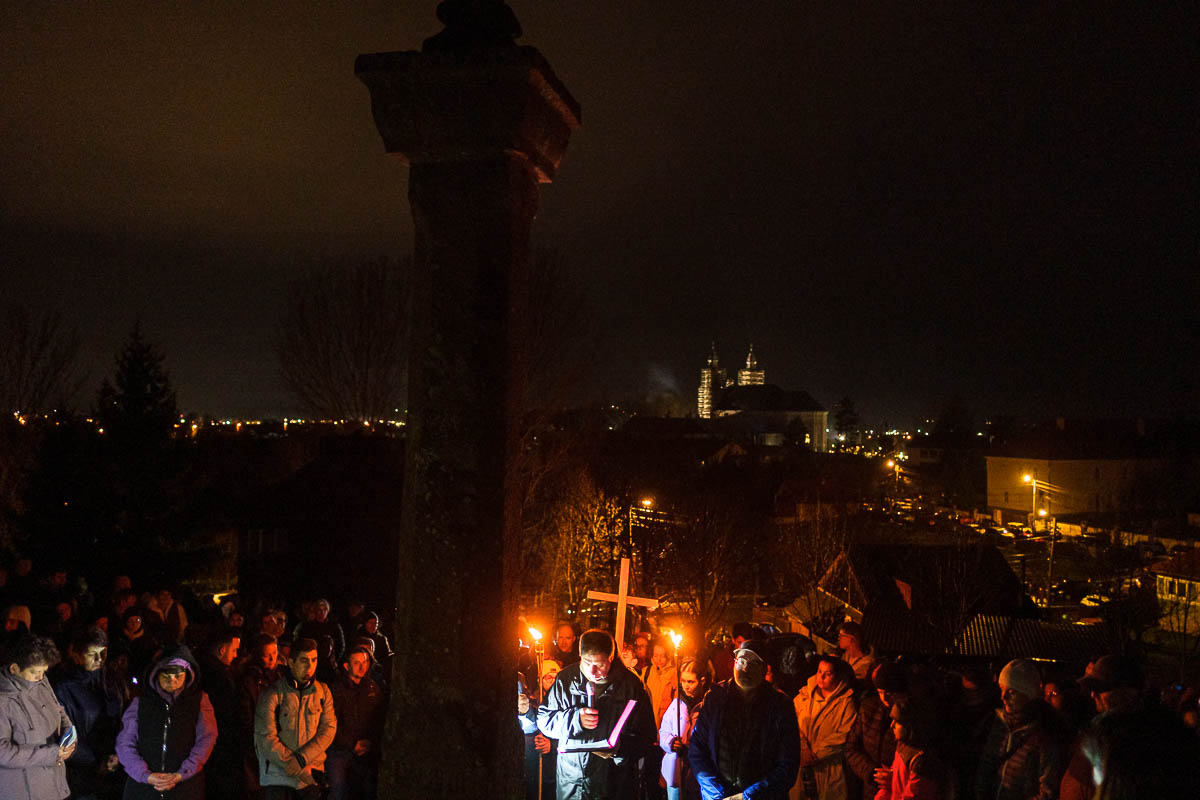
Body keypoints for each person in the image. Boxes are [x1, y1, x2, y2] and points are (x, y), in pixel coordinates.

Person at [538, 629, 656, 800]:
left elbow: (647, 736)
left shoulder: (631, 686)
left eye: (600, 665)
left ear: (611, 657)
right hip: (572, 780)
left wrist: (620, 749)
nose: (593, 671)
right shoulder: (566, 679)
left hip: (614, 782)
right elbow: (544, 720)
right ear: (579, 654)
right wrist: (575, 719)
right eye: (586, 662)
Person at [689, 639, 801, 800]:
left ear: (764, 670)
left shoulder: (779, 706)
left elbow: (788, 764)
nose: (746, 669)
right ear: (734, 663)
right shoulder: (716, 697)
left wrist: (747, 797)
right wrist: (717, 793)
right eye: (742, 661)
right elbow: (697, 749)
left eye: (754, 663)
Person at [116, 645, 217, 800]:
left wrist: (182, 773)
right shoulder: (140, 703)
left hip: (185, 788)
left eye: (178, 674)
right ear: (156, 673)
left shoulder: (200, 702)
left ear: (188, 673)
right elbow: (125, 742)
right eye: (166, 673)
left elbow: (206, 739)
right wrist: (145, 775)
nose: (172, 679)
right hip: (143, 789)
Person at [254, 637, 337, 800]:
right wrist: (297, 766)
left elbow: (328, 729)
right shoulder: (272, 694)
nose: (310, 666)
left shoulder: (323, 692)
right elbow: (265, 738)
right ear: (291, 663)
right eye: (304, 661)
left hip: (310, 775)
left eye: (314, 660)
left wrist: (303, 758)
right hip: (278, 777)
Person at [975, 658, 1064, 800]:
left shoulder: (1043, 733)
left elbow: (1047, 790)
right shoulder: (996, 724)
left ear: (1028, 694)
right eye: (1002, 689)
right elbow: (984, 768)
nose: (1003, 696)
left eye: (1012, 691)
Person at [51, 626, 124, 800]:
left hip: (115, 768)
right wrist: (98, 762)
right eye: (92, 654)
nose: (100, 660)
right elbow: (64, 735)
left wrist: (120, 753)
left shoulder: (111, 679)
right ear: (76, 655)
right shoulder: (63, 688)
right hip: (82, 776)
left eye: (103, 653)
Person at [0, 634, 75, 800]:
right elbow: (3, 752)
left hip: (54, 784)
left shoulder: (41, 681)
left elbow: (58, 709)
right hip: (24, 791)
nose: (40, 677)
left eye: (44, 671)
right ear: (14, 669)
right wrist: (51, 754)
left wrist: (69, 732)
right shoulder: (3, 700)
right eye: (35, 672)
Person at [793, 655, 857, 800]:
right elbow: (791, 723)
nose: (821, 677)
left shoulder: (845, 703)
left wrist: (816, 754)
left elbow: (843, 735)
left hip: (829, 767)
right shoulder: (804, 695)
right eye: (819, 671)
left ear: (837, 676)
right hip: (801, 763)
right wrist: (803, 749)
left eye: (827, 674)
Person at [326, 646, 384, 800]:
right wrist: (351, 744)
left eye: (365, 662)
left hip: (366, 750)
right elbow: (330, 724)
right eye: (357, 663)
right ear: (347, 666)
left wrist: (369, 742)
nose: (362, 666)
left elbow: (377, 720)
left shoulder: (372, 688)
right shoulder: (336, 690)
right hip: (340, 750)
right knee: (338, 791)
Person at [845, 661, 907, 800]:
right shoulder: (868, 707)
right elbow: (851, 747)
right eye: (880, 692)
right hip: (871, 790)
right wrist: (872, 773)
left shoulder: (911, 716)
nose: (884, 698)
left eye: (889, 693)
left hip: (900, 791)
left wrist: (895, 777)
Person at [659, 658, 710, 800]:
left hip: (697, 772)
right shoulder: (677, 703)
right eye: (683, 681)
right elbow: (664, 730)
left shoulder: (708, 705)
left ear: (702, 680)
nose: (686, 686)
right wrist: (670, 742)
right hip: (676, 769)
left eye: (691, 682)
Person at [199, 629, 242, 799]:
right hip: (219, 745)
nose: (236, 655)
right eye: (233, 650)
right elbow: (226, 714)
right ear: (222, 650)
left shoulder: (201, 669)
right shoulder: (220, 678)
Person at [872, 698, 944, 800]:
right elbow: (893, 784)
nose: (892, 725)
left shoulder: (921, 761)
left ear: (910, 725)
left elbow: (914, 796)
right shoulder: (902, 746)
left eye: (897, 722)